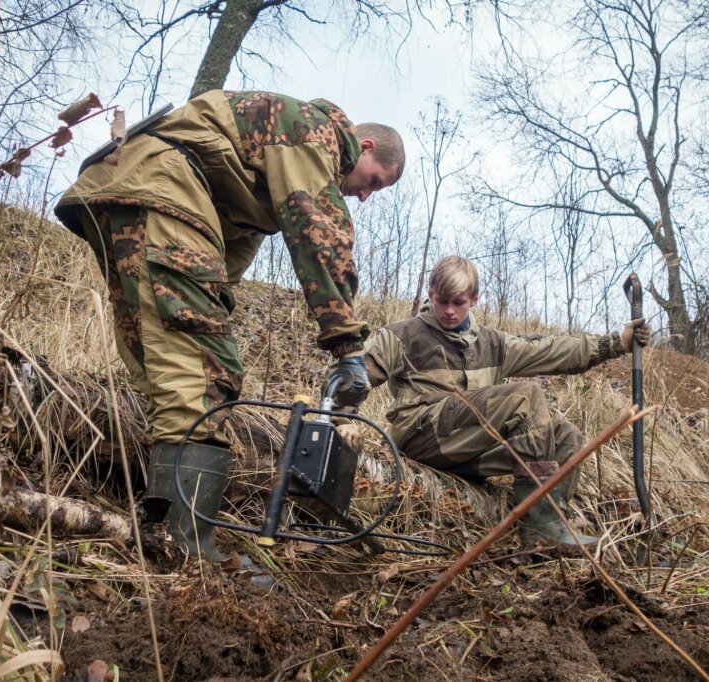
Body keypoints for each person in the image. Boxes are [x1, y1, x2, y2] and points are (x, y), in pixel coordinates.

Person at [54, 91, 402, 559]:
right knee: (203, 373)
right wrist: (348, 346)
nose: (362, 195)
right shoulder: (315, 132)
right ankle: (187, 552)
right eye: (373, 183)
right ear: (361, 147)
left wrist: (211, 312)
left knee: (165, 369)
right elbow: (321, 235)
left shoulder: (267, 164)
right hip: (163, 187)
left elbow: (227, 260)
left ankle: (157, 527)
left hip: (130, 190)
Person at [357, 256, 649, 549]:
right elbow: (354, 375)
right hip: (421, 438)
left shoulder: (491, 343)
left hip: (468, 449)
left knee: (565, 438)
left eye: (458, 302)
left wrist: (615, 344)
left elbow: (548, 351)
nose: (448, 310)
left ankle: (549, 525)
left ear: (474, 300)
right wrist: (343, 420)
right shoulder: (402, 335)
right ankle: (538, 528)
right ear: (431, 295)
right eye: (441, 301)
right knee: (526, 396)